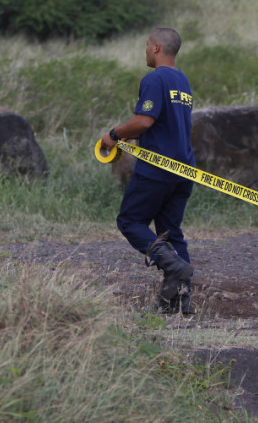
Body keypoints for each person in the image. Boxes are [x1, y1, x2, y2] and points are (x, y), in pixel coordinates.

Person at [100, 28, 196, 315]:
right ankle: (179, 299)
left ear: (156, 48)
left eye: (146, 46)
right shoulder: (183, 81)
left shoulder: (154, 79)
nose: (145, 50)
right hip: (184, 168)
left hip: (158, 167)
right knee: (170, 231)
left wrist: (114, 134)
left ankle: (172, 265)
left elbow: (144, 121)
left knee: (130, 221)